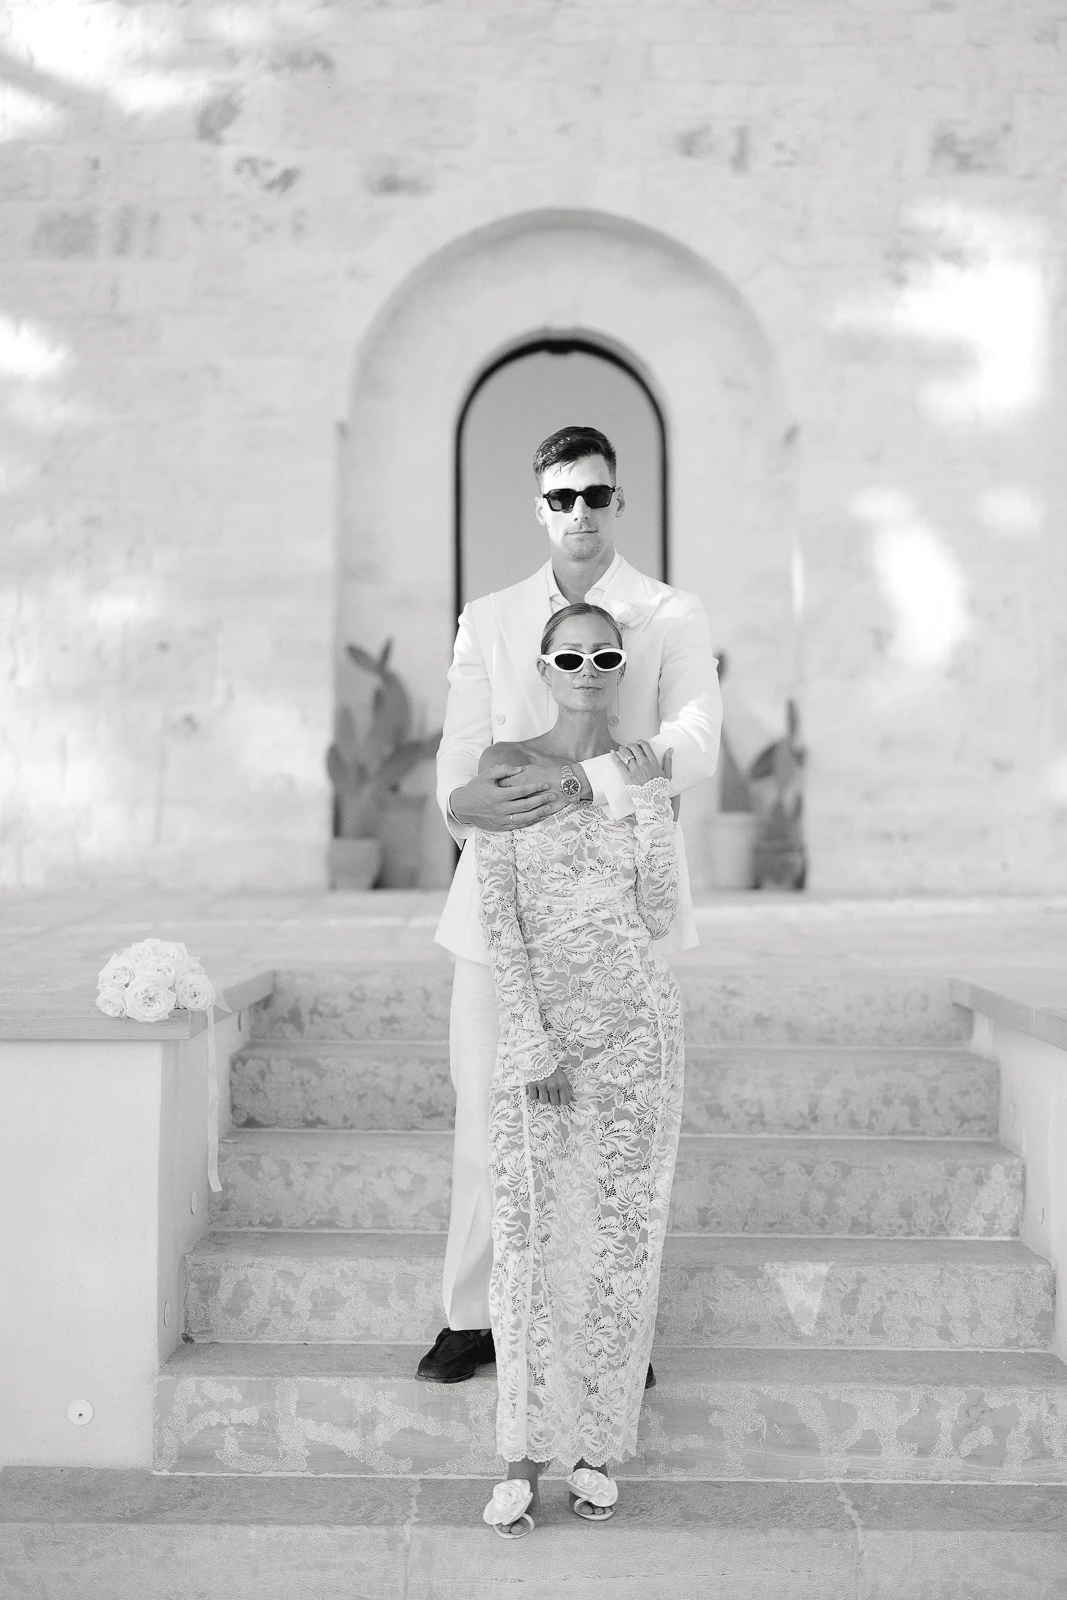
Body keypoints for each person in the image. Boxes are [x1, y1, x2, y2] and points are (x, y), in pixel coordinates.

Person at [418, 424, 721, 1385]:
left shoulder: (669, 613)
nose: (579, 513)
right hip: (501, 904)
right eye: (561, 498)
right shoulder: (492, 616)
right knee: (487, 1111)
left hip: (617, 911)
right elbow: (463, 758)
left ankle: (605, 1322)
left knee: (606, 1127)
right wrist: (460, 804)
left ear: (617, 500)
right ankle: (474, 1316)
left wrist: (590, 785)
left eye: (595, 495)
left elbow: (695, 738)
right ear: (540, 506)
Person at [477, 602, 683, 1536]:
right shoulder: (505, 766)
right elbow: (500, 921)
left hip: (638, 1031)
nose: (590, 668)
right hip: (544, 1034)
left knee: (618, 1247)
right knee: (527, 1242)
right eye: (572, 655)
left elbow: (657, 911)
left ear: (621, 663)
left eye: (606, 654)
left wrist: (645, 803)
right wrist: (530, 1040)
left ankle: (594, 1452)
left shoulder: (641, 769)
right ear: (546, 665)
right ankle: (518, 1457)